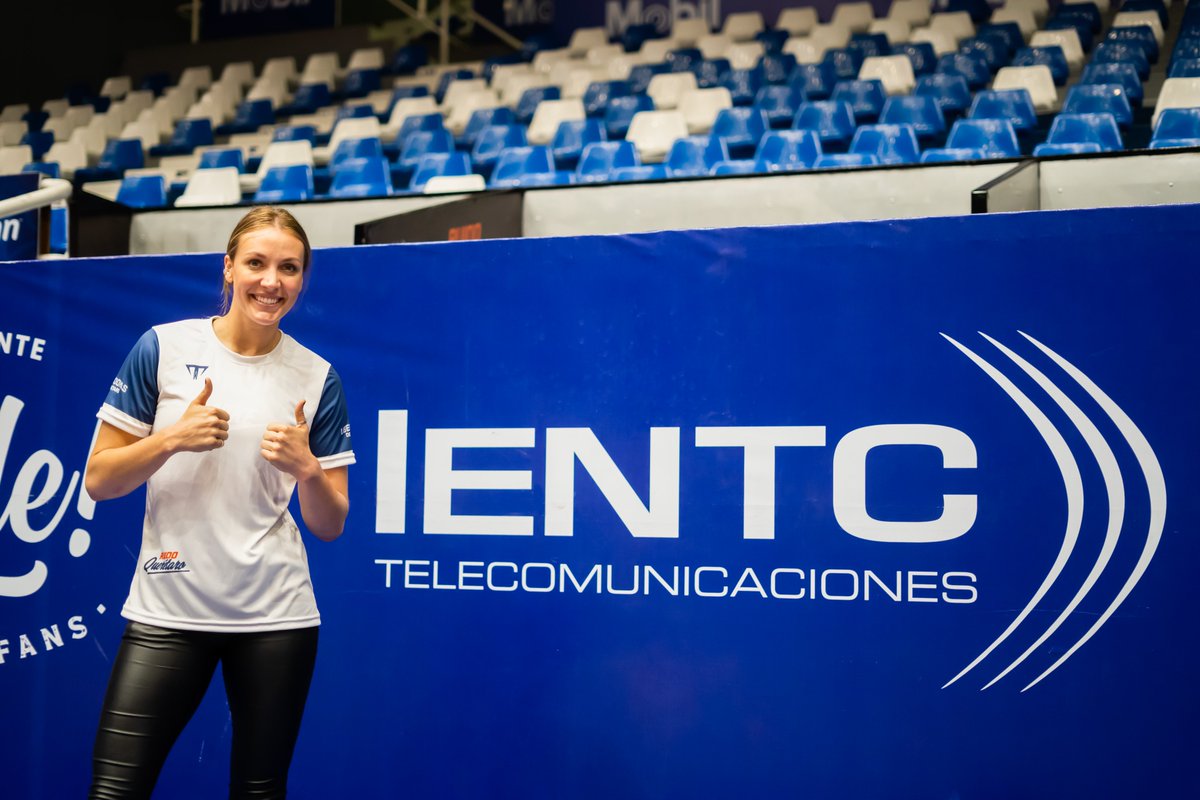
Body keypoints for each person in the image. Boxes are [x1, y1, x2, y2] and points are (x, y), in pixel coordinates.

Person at [85, 206, 354, 800]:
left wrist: (308, 470)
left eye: (289, 268)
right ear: (228, 268)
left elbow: (329, 523)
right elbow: (100, 481)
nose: (271, 281)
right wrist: (171, 438)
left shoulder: (317, 377)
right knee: (113, 792)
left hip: (276, 620)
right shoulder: (162, 346)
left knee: (259, 793)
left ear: (302, 279)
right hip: (167, 610)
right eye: (256, 263)